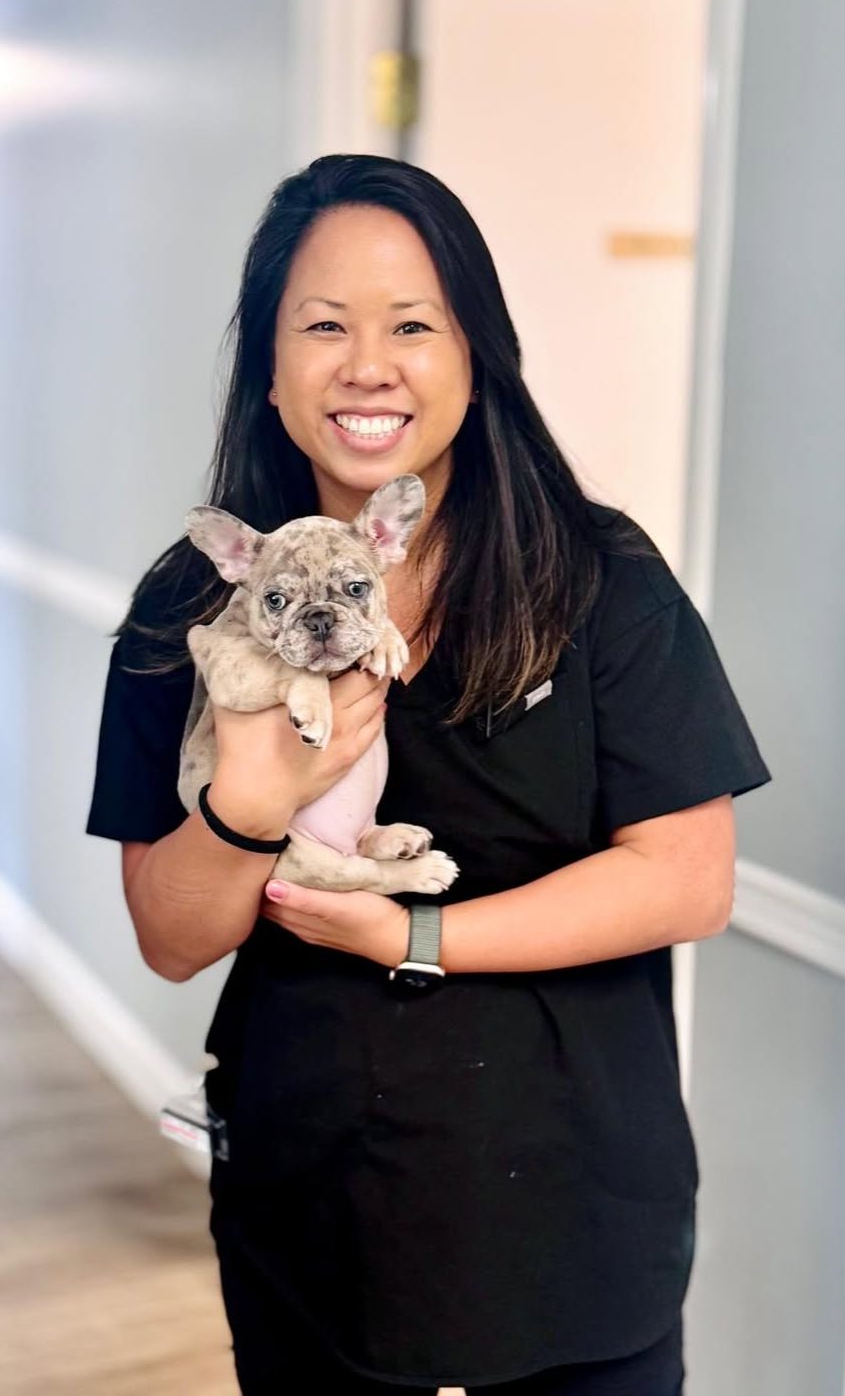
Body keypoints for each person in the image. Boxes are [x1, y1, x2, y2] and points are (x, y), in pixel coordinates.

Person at [86, 154, 772, 1394]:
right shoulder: (189, 606)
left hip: (572, 1213)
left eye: (412, 323)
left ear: (476, 352)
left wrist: (412, 932)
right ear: (270, 364)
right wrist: (251, 799)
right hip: (315, 1202)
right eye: (323, 325)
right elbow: (170, 937)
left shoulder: (597, 577)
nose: (367, 364)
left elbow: (686, 879)